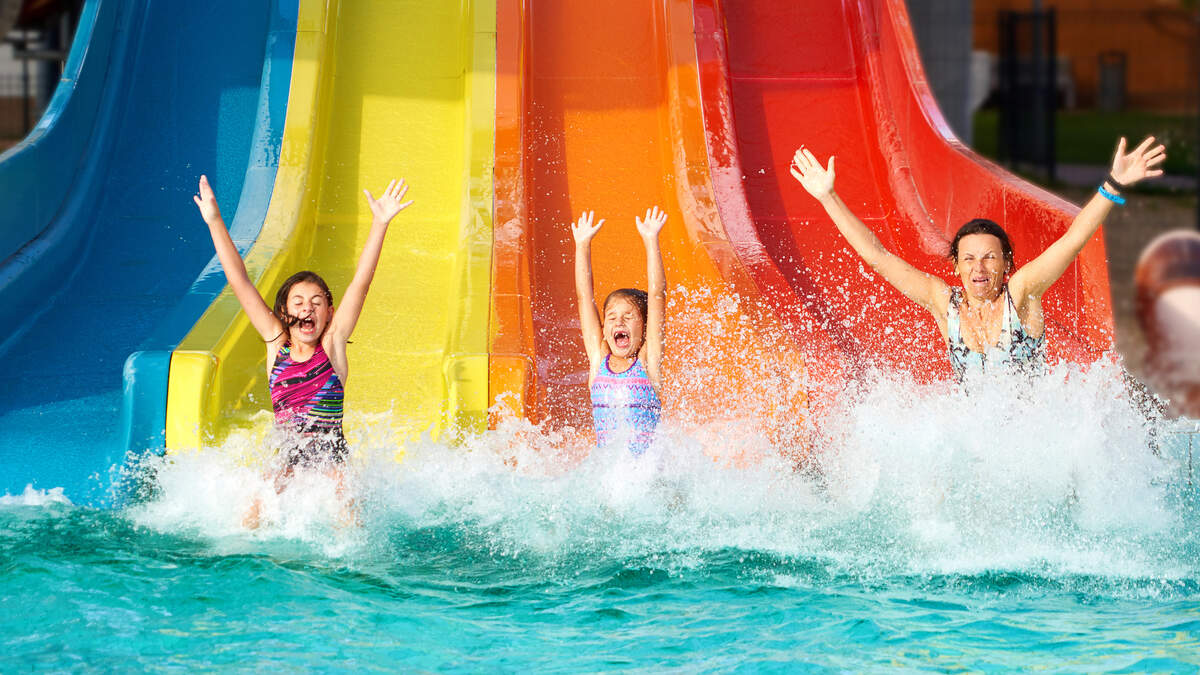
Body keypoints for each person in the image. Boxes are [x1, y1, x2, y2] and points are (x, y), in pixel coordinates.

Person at [789, 137, 1165, 381]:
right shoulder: (943, 303)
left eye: (989, 258)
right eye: (968, 259)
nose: (979, 268)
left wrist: (1114, 184)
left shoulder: (1022, 293)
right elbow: (877, 256)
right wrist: (828, 197)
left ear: (1006, 265)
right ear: (956, 266)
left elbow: (1072, 241)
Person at [193, 174, 411, 525]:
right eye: (298, 302)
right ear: (284, 313)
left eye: (316, 302)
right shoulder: (276, 345)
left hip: (332, 456)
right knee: (252, 512)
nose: (307, 308)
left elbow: (361, 283)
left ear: (330, 313)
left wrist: (380, 224)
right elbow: (240, 281)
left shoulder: (332, 345)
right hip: (287, 455)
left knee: (346, 510)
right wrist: (215, 221)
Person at [572, 207, 668, 453]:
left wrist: (651, 240)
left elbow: (657, 295)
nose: (619, 322)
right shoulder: (598, 361)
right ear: (604, 329)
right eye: (612, 317)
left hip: (646, 472)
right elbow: (584, 298)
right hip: (609, 472)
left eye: (628, 316)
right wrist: (582, 245)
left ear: (644, 328)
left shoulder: (648, 362)